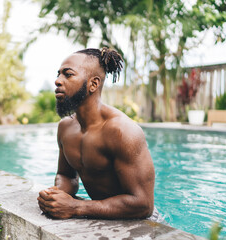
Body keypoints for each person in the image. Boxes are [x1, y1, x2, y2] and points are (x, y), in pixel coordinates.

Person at [37, 47, 164, 222]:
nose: (58, 81)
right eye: (58, 74)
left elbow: (143, 205)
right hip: (100, 215)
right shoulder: (65, 127)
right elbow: (67, 175)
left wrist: (76, 207)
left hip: (141, 222)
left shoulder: (122, 132)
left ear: (93, 84)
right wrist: (55, 195)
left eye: (68, 74)